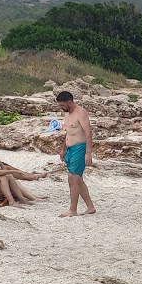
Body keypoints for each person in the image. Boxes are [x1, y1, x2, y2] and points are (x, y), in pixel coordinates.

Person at [55, 89, 96, 217]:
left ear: (70, 102)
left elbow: (88, 132)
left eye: (63, 106)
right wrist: (63, 149)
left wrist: (88, 153)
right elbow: (68, 131)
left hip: (80, 148)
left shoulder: (81, 113)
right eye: (60, 106)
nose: (61, 108)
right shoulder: (67, 113)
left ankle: (72, 210)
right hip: (70, 149)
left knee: (72, 179)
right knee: (78, 180)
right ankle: (90, 207)